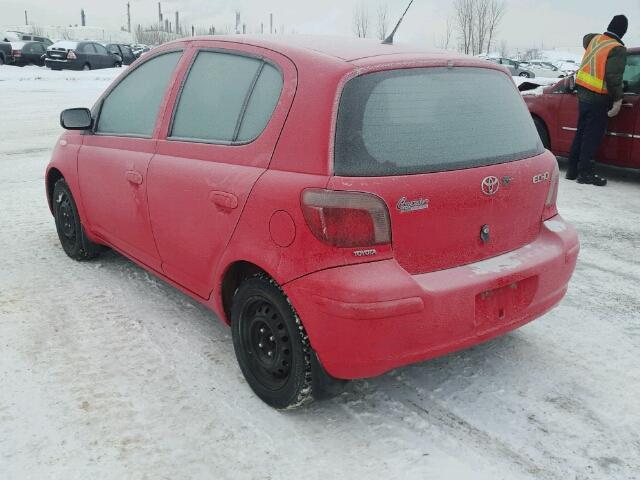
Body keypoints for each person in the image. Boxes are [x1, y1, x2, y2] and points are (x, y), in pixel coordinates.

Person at [567, 15, 628, 186]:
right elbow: (613, 77)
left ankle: (572, 170)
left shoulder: (594, 40)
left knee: (581, 132)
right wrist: (618, 99)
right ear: (623, 32)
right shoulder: (617, 49)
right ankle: (585, 173)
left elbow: (587, 36)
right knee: (591, 137)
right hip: (598, 97)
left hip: (583, 94)